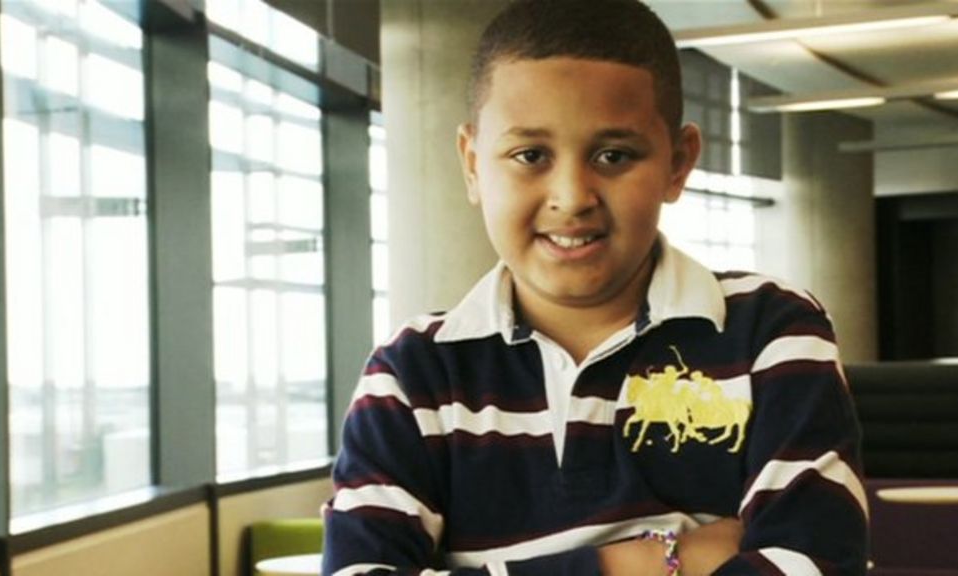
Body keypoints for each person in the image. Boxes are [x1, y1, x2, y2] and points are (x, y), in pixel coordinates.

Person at [322, 0, 869, 574]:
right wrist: (646, 562)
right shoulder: (413, 373)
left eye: (614, 155)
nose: (572, 197)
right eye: (530, 155)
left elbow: (816, 563)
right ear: (472, 164)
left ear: (678, 164)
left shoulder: (770, 331)